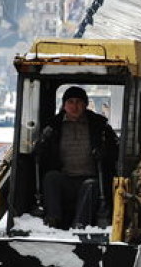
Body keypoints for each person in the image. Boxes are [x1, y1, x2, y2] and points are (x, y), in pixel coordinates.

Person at [38, 86, 119, 229]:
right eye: (70, 102)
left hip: (89, 179)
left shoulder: (100, 126)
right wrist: (40, 146)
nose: (74, 106)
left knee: (91, 186)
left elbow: (114, 150)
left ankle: (80, 225)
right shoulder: (53, 126)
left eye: (78, 102)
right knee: (51, 178)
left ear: (86, 104)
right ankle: (52, 221)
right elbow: (42, 152)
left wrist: (103, 152)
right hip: (65, 178)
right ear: (64, 105)